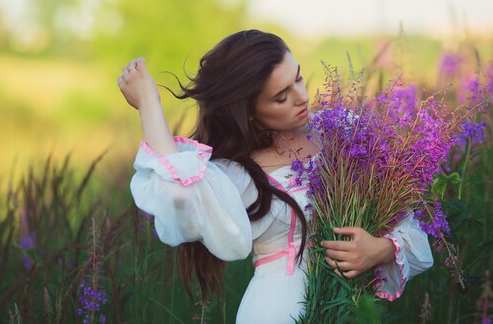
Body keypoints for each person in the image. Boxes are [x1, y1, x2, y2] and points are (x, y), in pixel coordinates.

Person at [117, 29, 433, 324]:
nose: (301, 97)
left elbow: (409, 229)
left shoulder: (342, 130)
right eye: (281, 97)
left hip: (348, 308)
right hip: (277, 311)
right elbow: (177, 192)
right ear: (250, 111)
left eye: (298, 79)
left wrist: (381, 250)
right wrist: (148, 104)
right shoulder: (237, 175)